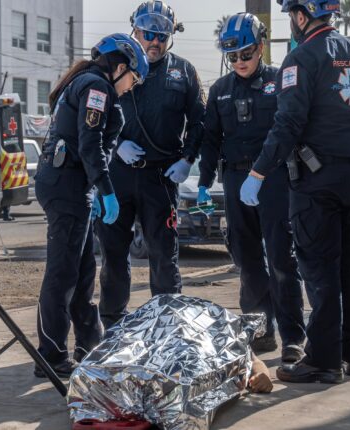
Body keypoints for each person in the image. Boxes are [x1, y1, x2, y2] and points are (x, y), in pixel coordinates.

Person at [241, 0, 350, 383]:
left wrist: (258, 171)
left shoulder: (300, 60)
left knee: (320, 272)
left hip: (317, 183)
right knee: (347, 267)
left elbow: (287, 124)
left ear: (302, 15)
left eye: (291, 15)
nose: (292, 22)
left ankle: (322, 361)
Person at [34, 33, 148, 378]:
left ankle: (89, 344)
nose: (132, 86)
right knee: (63, 273)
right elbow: (90, 144)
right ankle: (51, 356)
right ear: (121, 67)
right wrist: (106, 189)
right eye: (134, 78)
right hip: (66, 186)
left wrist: (95, 191)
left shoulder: (88, 84)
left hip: (72, 186)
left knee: (82, 272)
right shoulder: (96, 87)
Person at [198, 12, 306, 362]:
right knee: (246, 260)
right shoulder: (219, 91)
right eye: (233, 57)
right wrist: (202, 182)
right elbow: (211, 140)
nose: (240, 62)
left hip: (273, 180)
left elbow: (290, 130)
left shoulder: (278, 82)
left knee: (280, 259)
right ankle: (260, 332)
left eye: (246, 54)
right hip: (234, 180)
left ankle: (293, 337)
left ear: (261, 47)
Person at [96, 1, 206, 328]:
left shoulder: (184, 72)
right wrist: (115, 147)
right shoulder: (115, 67)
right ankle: (114, 324)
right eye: (148, 34)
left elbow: (201, 121)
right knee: (114, 255)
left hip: (161, 177)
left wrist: (188, 159)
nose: (154, 41)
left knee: (164, 256)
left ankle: (167, 325)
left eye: (162, 35)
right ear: (135, 31)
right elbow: (94, 117)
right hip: (118, 176)